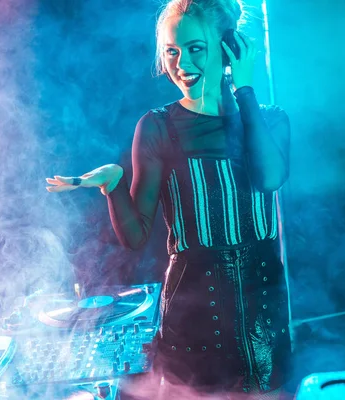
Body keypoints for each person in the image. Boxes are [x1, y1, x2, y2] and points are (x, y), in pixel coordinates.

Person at [46, 0, 292, 397]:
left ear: (229, 47)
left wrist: (243, 88)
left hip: (265, 314)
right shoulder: (157, 127)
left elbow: (269, 178)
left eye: (196, 48)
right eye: (172, 52)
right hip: (194, 319)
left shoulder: (271, 119)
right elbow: (136, 237)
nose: (181, 63)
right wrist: (113, 187)